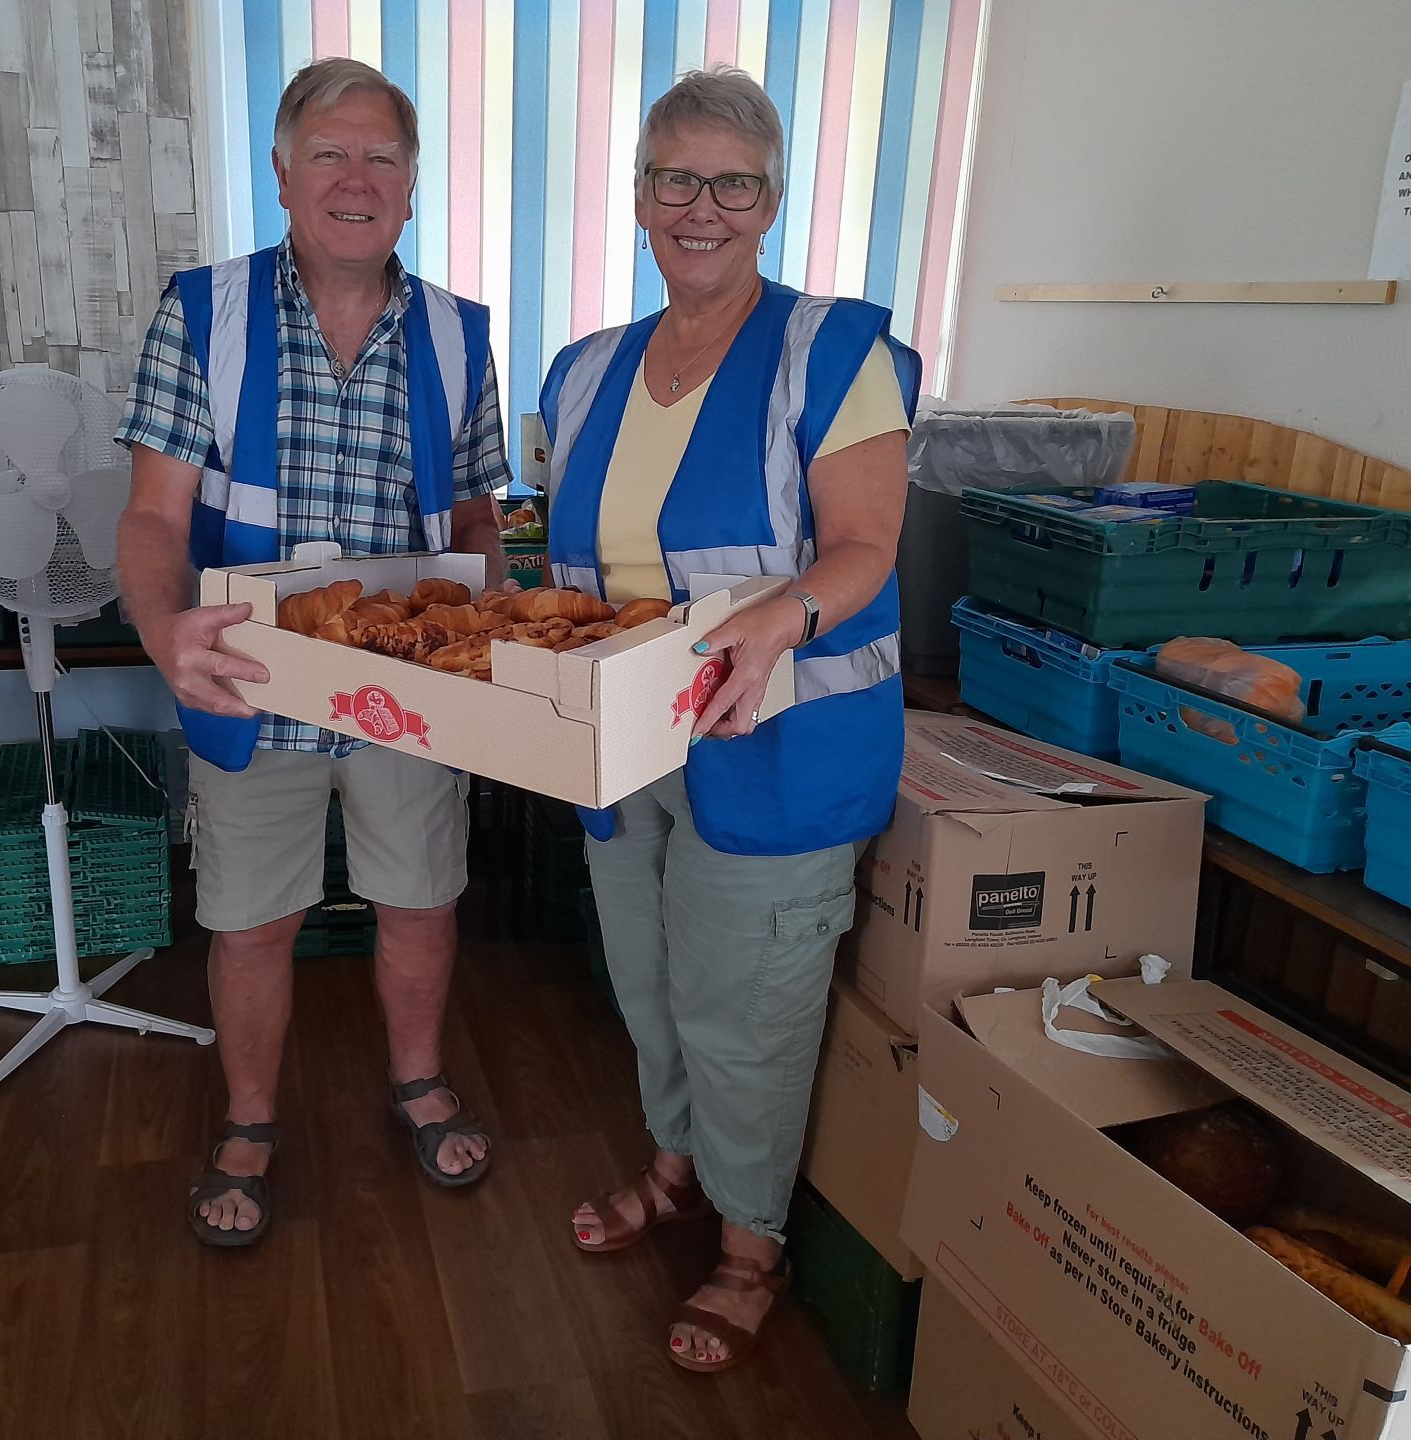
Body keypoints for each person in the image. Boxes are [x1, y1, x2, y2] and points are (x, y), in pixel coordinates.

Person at [539, 68, 918, 1370]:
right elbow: (575, 568)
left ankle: (752, 1244)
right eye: (673, 178)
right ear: (640, 195)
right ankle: (676, 1166)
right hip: (625, 740)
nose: (699, 206)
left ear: (769, 202)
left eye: (731, 183)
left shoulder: (833, 351)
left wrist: (782, 616)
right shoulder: (584, 371)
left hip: (782, 743)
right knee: (647, 983)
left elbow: (865, 544)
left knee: (743, 1008)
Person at [114, 57, 509, 1248]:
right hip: (251, 680)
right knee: (250, 922)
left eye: (381, 156)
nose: (356, 179)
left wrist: (489, 627)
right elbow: (149, 518)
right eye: (329, 154)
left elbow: (481, 513)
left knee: (421, 902)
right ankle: (248, 1118)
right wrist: (158, 631)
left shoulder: (455, 332)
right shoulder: (205, 313)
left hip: (410, 693)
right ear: (282, 175)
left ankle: (419, 1082)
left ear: (412, 182)